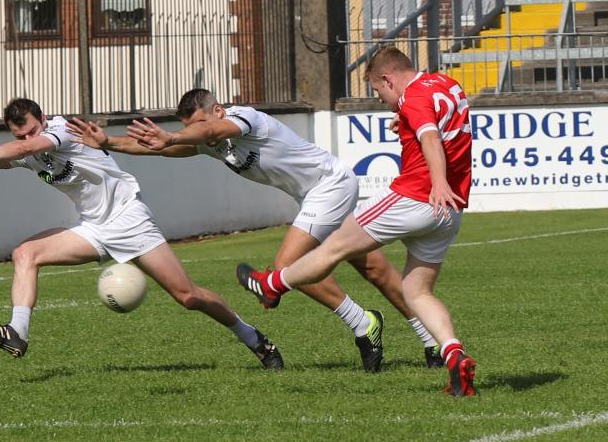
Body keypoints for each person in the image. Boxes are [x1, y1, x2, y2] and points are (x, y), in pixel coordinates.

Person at [67, 89, 443, 372]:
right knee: (372, 267)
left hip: (329, 186)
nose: (199, 132)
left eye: (201, 123)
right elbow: (163, 149)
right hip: (313, 195)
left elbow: (206, 131)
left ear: (217, 110)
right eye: (189, 127)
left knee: (283, 274)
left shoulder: (244, 117)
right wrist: (110, 142)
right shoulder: (211, 143)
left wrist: (179, 136)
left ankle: (363, 322)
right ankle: (432, 341)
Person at [0, 100, 283, 369]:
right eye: (20, 133)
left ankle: (255, 339)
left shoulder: (62, 130)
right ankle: (18, 332)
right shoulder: (26, 147)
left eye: (32, 129)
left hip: (129, 220)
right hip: (94, 228)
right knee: (25, 253)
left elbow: (23, 148)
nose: (28, 136)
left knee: (188, 297)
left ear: (43, 119)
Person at [234, 46, 477, 395]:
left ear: (388, 78)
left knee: (333, 245)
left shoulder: (415, 98)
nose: (380, 99)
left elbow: (430, 137)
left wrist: (436, 180)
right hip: (450, 209)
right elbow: (441, 126)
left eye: (378, 90)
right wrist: (407, 123)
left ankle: (274, 284)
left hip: (417, 196)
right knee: (417, 290)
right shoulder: (446, 85)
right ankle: (453, 354)